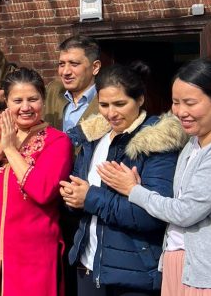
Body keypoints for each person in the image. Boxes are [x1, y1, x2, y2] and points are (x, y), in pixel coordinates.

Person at [98, 59, 211, 295]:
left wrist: (134, 190)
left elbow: (185, 212)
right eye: (176, 102)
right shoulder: (192, 143)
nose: (180, 112)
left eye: (190, 103)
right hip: (179, 265)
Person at [59, 63, 185, 295]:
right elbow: (80, 198)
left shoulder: (156, 142)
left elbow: (153, 215)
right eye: (104, 105)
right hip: (88, 265)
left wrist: (90, 197)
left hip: (135, 273)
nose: (111, 113)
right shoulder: (93, 138)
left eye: (120, 104)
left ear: (140, 99)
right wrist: (72, 198)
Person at [0, 67, 73, 296]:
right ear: (7, 102)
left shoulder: (57, 141)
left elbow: (42, 191)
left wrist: (10, 149)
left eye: (33, 99)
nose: (25, 107)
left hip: (34, 253)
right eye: (17, 100)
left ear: (43, 100)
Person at [0, 2, 101, 130]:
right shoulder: (54, 91)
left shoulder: (106, 100)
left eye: (74, 64)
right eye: (61, 64)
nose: (65, 71)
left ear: (95, 67)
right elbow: (7, 75)